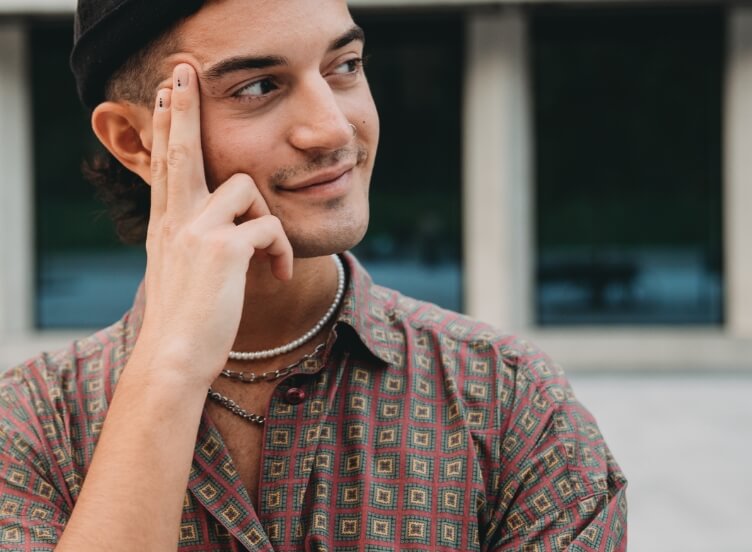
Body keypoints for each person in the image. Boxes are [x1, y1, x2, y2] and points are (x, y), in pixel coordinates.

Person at [0, 0, 627, 549]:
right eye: (257, 87)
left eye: (345, 67)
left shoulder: (509, 402)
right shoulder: (28, 427)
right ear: (135, 142)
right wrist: (169, 368)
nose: (331, 128)